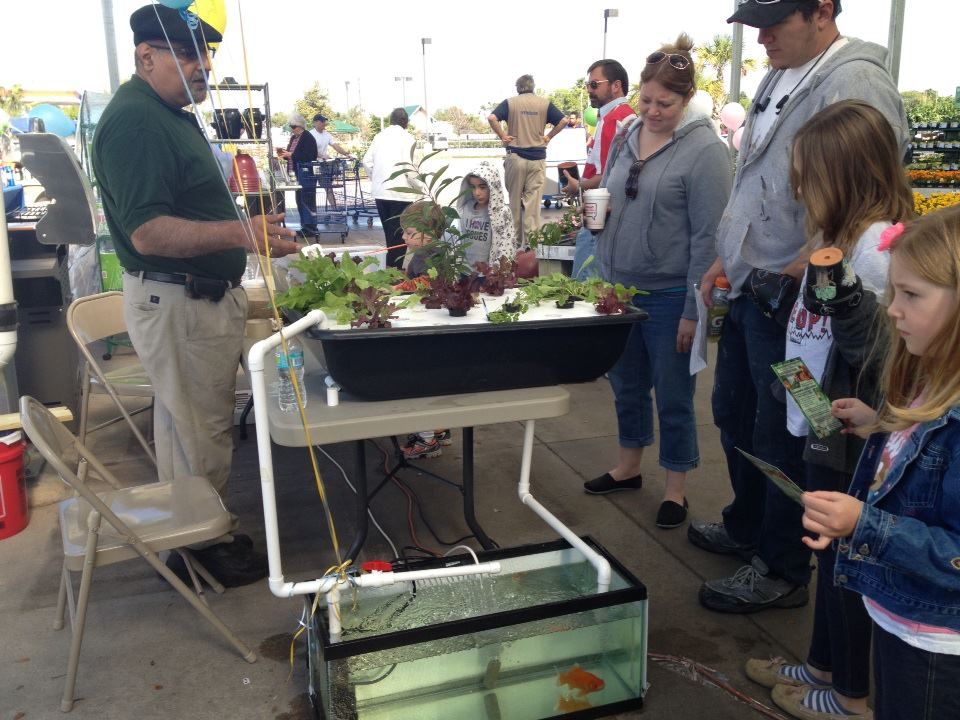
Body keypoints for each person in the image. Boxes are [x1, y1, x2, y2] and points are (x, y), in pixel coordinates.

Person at [692, 0, 910, 613]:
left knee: (789, 435)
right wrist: (727, 258)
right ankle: (749, 526)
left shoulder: (856, 82)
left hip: (794, 310)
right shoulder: (783, 69)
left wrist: (796, 275)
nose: (760, 36)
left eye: (774, 22)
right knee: (736, 415)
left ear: (822, 11)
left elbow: (862, 197)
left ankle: (782, 565)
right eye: (755, 23)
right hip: (754, 289)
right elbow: (754, 180)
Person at [91, 4, 300, 587]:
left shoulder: (168, 112)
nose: (202, 65)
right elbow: (147, 231)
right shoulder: (136, 122)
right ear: (146, 56)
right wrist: (241, 233)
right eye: (187, 54)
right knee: (201, 433)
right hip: (180, 301)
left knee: (187, 431)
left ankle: (189, 537)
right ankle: (205, 548)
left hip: (193, 299)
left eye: (205, 54)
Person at [743, 100, 914, 720]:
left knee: (844, 563)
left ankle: (850, 694)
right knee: (823, 550)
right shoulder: (839, 237)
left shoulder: (873, 248)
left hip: (848, 431)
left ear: (842, 176)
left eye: (806, 179)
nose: (799, 191)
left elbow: (875, 352)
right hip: (819, 418)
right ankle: (822, 663)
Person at [800, 204, 960, 719]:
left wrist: (863, 525)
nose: (892, 309)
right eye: (894, 292)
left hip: (936, 642)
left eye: (911, 295)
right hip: (900, 618)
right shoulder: (927, 381)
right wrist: (880, 423)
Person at [584, 34, 731, 530]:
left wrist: (695, 308)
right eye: (646, 99)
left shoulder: (705, 151)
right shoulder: (627, 133)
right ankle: (628, 467)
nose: (651, 110)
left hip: (671, 296)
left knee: (673, 395)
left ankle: (676, 487)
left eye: (664, 103)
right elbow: (609, 189)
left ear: (686, 100)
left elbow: (709, 238)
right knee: (626, 385)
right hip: (621, 289)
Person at [561, 59, 636, 280]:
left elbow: (608, 177)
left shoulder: (615, 119)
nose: (589, 90)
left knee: (585, 285)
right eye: (588, 85)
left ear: (616, 86)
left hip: (601, 214)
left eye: (594, 85)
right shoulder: (622, 115)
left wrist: (579, 186)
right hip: (607, 213)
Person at [487, 75, 568, 241]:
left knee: (514, 202)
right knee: (533, 204)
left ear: (518, 88)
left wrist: (503, 135)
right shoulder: (544, 103)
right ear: (533, 87)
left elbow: (492, 118)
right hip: (537, 158)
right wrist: (549, 136)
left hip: (515, 156)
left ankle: (513, 244)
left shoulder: (510, 103)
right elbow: (564, 120)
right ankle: (532, 247)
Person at [362, 108, 419, 270]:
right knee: (401, 236)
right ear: (405, 122)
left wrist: (376, 179)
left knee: (389, 233)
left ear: (390, 121)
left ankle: (390, 269)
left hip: (380, 193)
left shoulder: (379, 136)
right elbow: (410, 169)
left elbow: (367, 161)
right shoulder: (408, 138)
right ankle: (394, 271)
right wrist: (420, 188)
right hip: (401, 194)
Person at [278, 112, 318, 237]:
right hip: (295, 172)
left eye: (294, 127)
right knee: (299, 199)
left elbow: (310, 155)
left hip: (305, 173)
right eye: (291, 127)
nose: (292, 129)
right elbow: (291, 154)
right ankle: (305, 224)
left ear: (300, 126)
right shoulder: (294, 138)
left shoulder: (307, 137)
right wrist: (285, 154)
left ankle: (310, 226)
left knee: (306, 198)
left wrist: (291, 155)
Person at [309, 113, 352, 210]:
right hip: (311, 164)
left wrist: (346, 153)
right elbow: (308, 150)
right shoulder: (310, 134)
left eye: (325, 121)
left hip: (322, 165)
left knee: (328, 187)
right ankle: (311, 211)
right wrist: (320, 155)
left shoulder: (327, 134)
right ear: (315, 122)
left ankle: (334, 210)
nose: (324, 123)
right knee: (310, 190)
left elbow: (335, 145)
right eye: (322, 121)